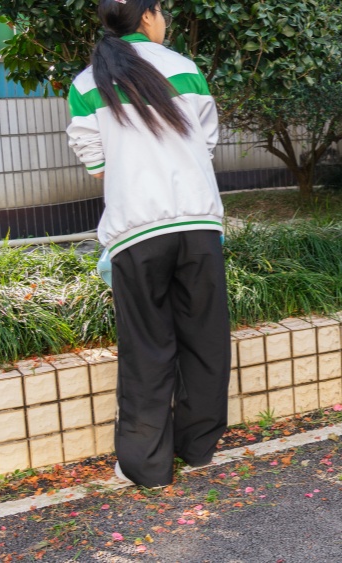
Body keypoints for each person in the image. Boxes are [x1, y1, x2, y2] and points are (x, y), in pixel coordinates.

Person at [66, 0, 230, 487]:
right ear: (148, 16)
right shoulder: (185, 68)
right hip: (198, 221)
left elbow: (95, 162)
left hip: (136, 230)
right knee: (204, 339)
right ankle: (198, 449)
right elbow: (206, 141)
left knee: (146, 346)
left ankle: (147, 466)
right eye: (162, 12)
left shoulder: (85, 83)